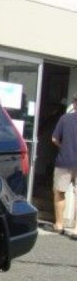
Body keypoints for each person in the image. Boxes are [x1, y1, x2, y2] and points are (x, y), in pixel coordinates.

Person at [51, 93, 77, 234]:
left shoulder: (65, 119)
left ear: (74, 103)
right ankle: (76, 228)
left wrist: (64, 146)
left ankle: (59, 224)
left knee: (59, 192)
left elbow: (54, 139)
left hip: (64, 161)